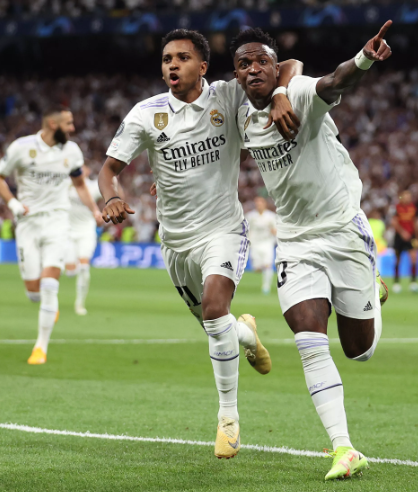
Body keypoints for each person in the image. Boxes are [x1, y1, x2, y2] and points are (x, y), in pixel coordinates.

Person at [98, 29, 302, 460]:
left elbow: (287, 65)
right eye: (167, 59)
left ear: (203, 66)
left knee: (213, 308)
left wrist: (282, 93)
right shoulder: (146, 114)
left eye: (183, 57)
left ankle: (228, 418)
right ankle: (247, 335)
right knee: (215, 323)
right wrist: (112, 197)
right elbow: (109, 170)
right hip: (175, 241)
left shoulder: (227, 95)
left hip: (223, 229)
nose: (172, 64)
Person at [232, 25, 391, 480]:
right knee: (309, 341)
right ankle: (344, 448)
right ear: (236, 75)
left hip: (343, 232)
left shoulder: (299, 92)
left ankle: (371, 288)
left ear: (274, 66)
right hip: (296, 240)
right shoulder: (238, 112)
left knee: (358, 351)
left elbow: (335, 80)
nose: (254, 69)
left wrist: (363, 59)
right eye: (244, 64)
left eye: (262, 61)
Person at [0, 106, 103, 364]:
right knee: (33, 292)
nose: (73, 128)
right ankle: (48, 309)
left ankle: (40, 347)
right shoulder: (21, 148)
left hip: (58, 222)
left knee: (49, 286)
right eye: (68, 123)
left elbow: (80, 184)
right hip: (28, 224)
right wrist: (13, 203)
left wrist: (94, 210)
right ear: (52, 124)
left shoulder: (72, 151)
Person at [64, 165, 103, 315]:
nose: (81, 170)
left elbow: (109, 190)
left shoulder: (93, 187)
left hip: (87, 230)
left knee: (84, 267)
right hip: (68, 231)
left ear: (88, 171)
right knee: (70, 272)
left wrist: (114, 180)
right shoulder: (67, 185)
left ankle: (79, 304)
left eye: (83, 167)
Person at [391, 190, 418, 293]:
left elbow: (415, 222)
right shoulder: (397, 208)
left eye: (409, 196)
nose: (407, 198)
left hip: (411, 236)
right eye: (405, 196)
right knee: (397, 259)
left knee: (414, 258)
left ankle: (413, 283)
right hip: (399, 237)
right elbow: (394, 222)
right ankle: (396, 283)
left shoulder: (413, 208)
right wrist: (402, 232)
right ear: (401, 197)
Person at [245, 196, 277, 294]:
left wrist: (274, 232)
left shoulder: (271, 216)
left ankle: (266, 287)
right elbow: (246, 229)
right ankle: (260, 266)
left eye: (261, 203)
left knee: (268, 264)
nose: (259, 205)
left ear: (265, 204)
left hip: (267, 243)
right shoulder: (250, 216)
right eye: (257, 203)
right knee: (257, 268)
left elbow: (275, 229)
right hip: (255, 244)